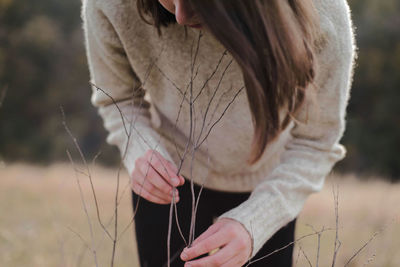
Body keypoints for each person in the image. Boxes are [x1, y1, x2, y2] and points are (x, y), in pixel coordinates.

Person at [82, 0, 355, 266]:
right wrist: (139, 149)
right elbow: (117, 98)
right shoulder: (108, 3)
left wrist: (255, 223)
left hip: (268, 186)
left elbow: (316, 142)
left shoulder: (323, 12)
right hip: (168, 181)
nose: (181, 15)